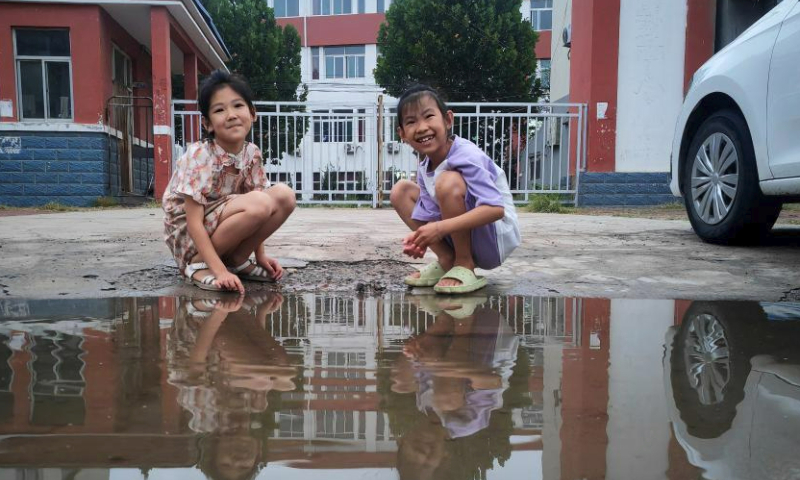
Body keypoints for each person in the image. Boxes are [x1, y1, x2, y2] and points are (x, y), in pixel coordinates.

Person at [163, 70, 296, 293]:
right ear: (207, 124)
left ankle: (237, 260)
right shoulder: (200, 155)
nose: (231, 115)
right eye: (219, 110)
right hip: (189, 237)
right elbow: (193, 222)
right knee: (259, 203)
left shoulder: (251, 153)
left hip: (223, 220)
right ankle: (198, 266)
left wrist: (260, 256)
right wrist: (219, 272)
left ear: (252, 113)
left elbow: (264, 206)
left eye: (238, 106)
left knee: (284, 196)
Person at [390, 84, 521, 295]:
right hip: (468, 233)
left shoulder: (466, 154)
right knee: (401, 191)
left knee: (447, 181)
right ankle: (447, 260)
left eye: (428, 116)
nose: (422, 127)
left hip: (495, 238)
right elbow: (429, 214)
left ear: (448, 120)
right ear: (402, 134)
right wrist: (421, 240)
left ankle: (464, 262)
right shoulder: (425, 166)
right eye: (411, 122)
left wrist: (440, 229)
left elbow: (495, 209)